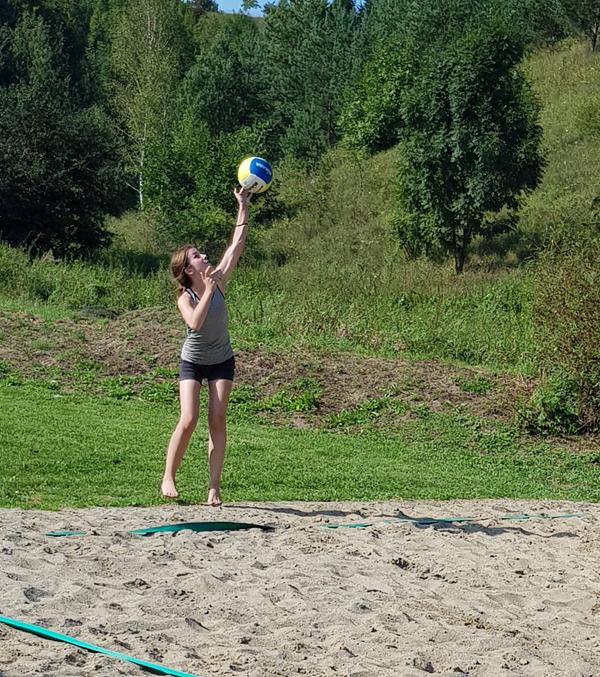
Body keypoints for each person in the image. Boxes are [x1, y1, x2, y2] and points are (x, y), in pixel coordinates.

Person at [161, 186, 252, 506]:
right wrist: (210, 290)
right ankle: (169, 476)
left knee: (217, 420)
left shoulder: (219, 278)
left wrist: (242, 206)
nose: (205, 257)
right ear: (189, 270)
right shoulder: (185, 297)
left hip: (222, 360)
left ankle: (214, 487)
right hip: (193, 361)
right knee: (189, 419)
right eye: (197, 256)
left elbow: (236, 245)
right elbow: (195, 323)